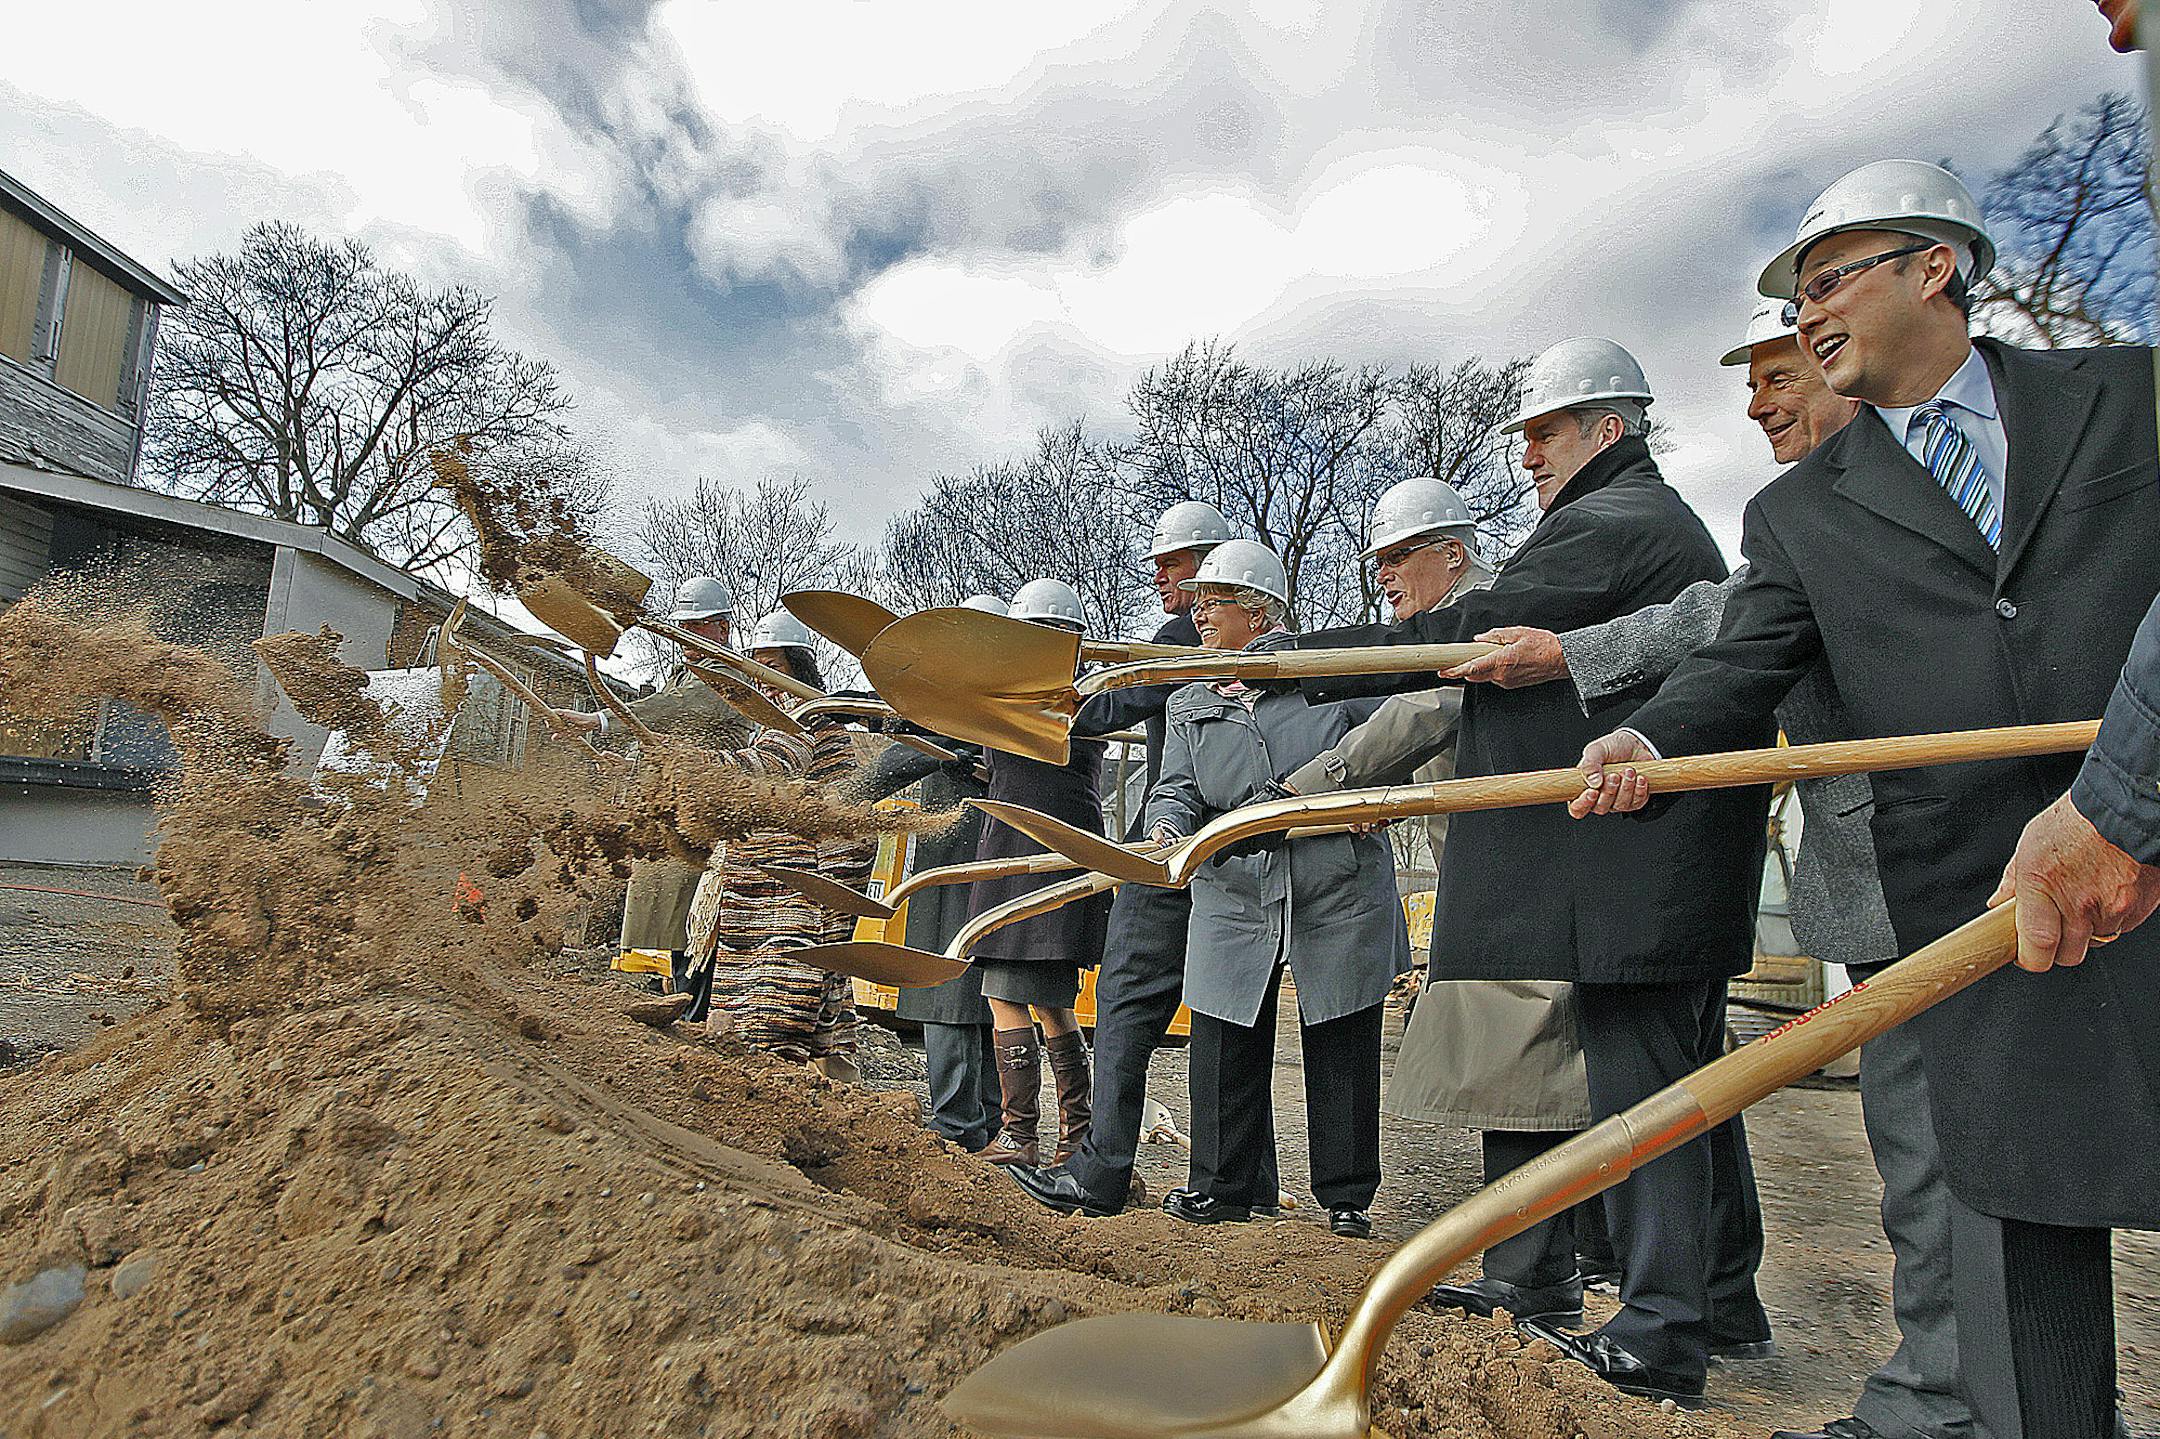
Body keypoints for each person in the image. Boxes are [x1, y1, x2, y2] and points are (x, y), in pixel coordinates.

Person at [1572, 160, 2160, 1439]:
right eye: (1797, 302)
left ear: (1933, 268)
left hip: (2146, 832)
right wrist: (1644, 738)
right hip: (1980, 901)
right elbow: (1740, 662)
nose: (1807, 320)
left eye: (1828, 282)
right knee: (2018, 1242)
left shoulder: (2130, 393)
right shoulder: (1798, 515)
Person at [1289, 337, 1774, 1407]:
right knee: (1688, 1083)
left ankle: (1661, 1326)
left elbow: (1457, 642)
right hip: (1639, 857)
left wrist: (1286, 657)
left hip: (1628, 861)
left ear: (1610, 428)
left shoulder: (1614, 520)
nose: (1529, 458)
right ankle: (1718, 1299)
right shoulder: (1636, 519)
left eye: (1544, 433)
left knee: (1647, 1090)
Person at [1264, 474, 1614, 1323]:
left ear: (1452, 555)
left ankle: (1538, 1272)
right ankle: (1625, 1265)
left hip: (1527, 876)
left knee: (1522, 1070)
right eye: (1375, 561)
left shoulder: (1483, 624)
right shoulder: (1452, 626)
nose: (1384, 576)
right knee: (1585, 1070)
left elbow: (1416, 719)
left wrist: (1297, 797)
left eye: (1397, 558)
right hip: (1515, 871)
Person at [1008, 500, 1284, 1217]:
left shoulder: (1182, 637)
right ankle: (1247, 1181)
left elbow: (1104, 710)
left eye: (1175, 563)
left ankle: (1100, 1171)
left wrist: (1029, 698)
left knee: (1131, 994)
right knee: (1234, 1013)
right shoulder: (1234, 641)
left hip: (1177, 851)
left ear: (1216, 568)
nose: (1161, 576)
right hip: (1234, 841)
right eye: (1158, 564)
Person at [1143, 540, 1408, 1237]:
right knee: (1224, 1034)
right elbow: (1173, 788)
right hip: (1235, 886)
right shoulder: (1190, 701)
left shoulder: (1330, 675)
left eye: (1213, 600)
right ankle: (1221, 1185)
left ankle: (1347, 1195)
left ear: (1257, 611)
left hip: (1336, 883)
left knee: (1342, 1031)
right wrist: (1170, 830)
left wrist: (1383, 797)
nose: (1198, 612)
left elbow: (1395, 745)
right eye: (1197, 599)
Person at [848, 596, 1010, 1153]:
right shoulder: (974, 696)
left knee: (951, 994)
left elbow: (904, 758)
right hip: (968, 858)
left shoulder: (969, 704)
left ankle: (961, 1127)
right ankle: (986, 1123)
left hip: (961, 862)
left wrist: (836, 800)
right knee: (976, 994)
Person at [690, 610, 876, 1081]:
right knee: (826, 982)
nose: (766, 683)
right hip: (786, 872)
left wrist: (691, 769)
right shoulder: (784, 716)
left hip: (808, 874)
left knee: (786, 975)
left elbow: (770, 766)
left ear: (797, 666)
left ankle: (774, 1075)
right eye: (757, 668)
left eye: (774, 668)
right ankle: (834, 1083)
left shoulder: (806, 715)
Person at [966, 578, 1111, 1168]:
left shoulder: (1037, 701)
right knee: (1054, 1005)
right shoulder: (1092, 694)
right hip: (1062, 855)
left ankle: (1022, 1137)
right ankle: (1074, 1136)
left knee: (1006, 998)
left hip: (1023, 855)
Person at [560, 576, 753, 991]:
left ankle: (693, 1017)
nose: (686, 634)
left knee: (691, 933)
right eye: (683, 625)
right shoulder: (685, 674)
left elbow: (668, 712)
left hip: (700, 828)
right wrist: (626, 765)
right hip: (670, 826)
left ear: (723, 628)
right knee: (659, 939)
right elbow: (665, 741)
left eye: (697, 625)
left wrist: (601, 720)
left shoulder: (726, 678)